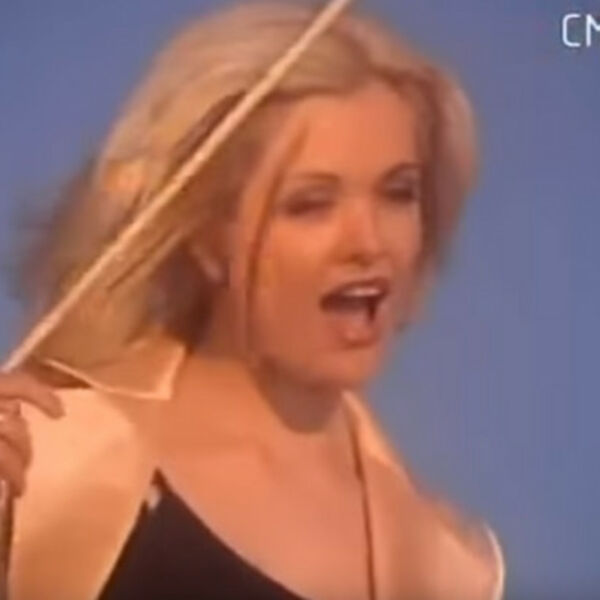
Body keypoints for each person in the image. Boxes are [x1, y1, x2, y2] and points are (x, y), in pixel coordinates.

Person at [0, 1, 504, 598]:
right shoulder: (45, 458)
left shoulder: (450, 567)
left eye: (398, 194)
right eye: (311, 204)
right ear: (206, 237)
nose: (369, 242)